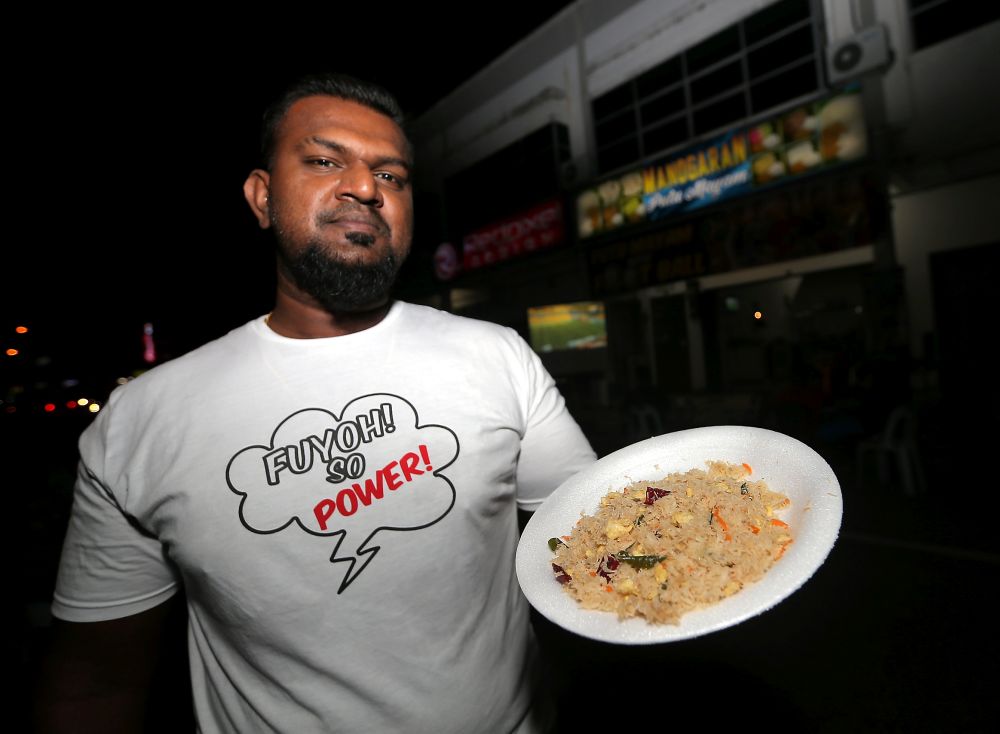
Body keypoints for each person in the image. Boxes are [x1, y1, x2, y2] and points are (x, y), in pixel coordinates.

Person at [35, 72, 597, 733]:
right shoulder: (143, 421)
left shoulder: (497, 355)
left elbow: (603, 539)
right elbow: (96, 685)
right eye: (326, 160)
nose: (366, 187)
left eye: (392, 175)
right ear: (262, 196)